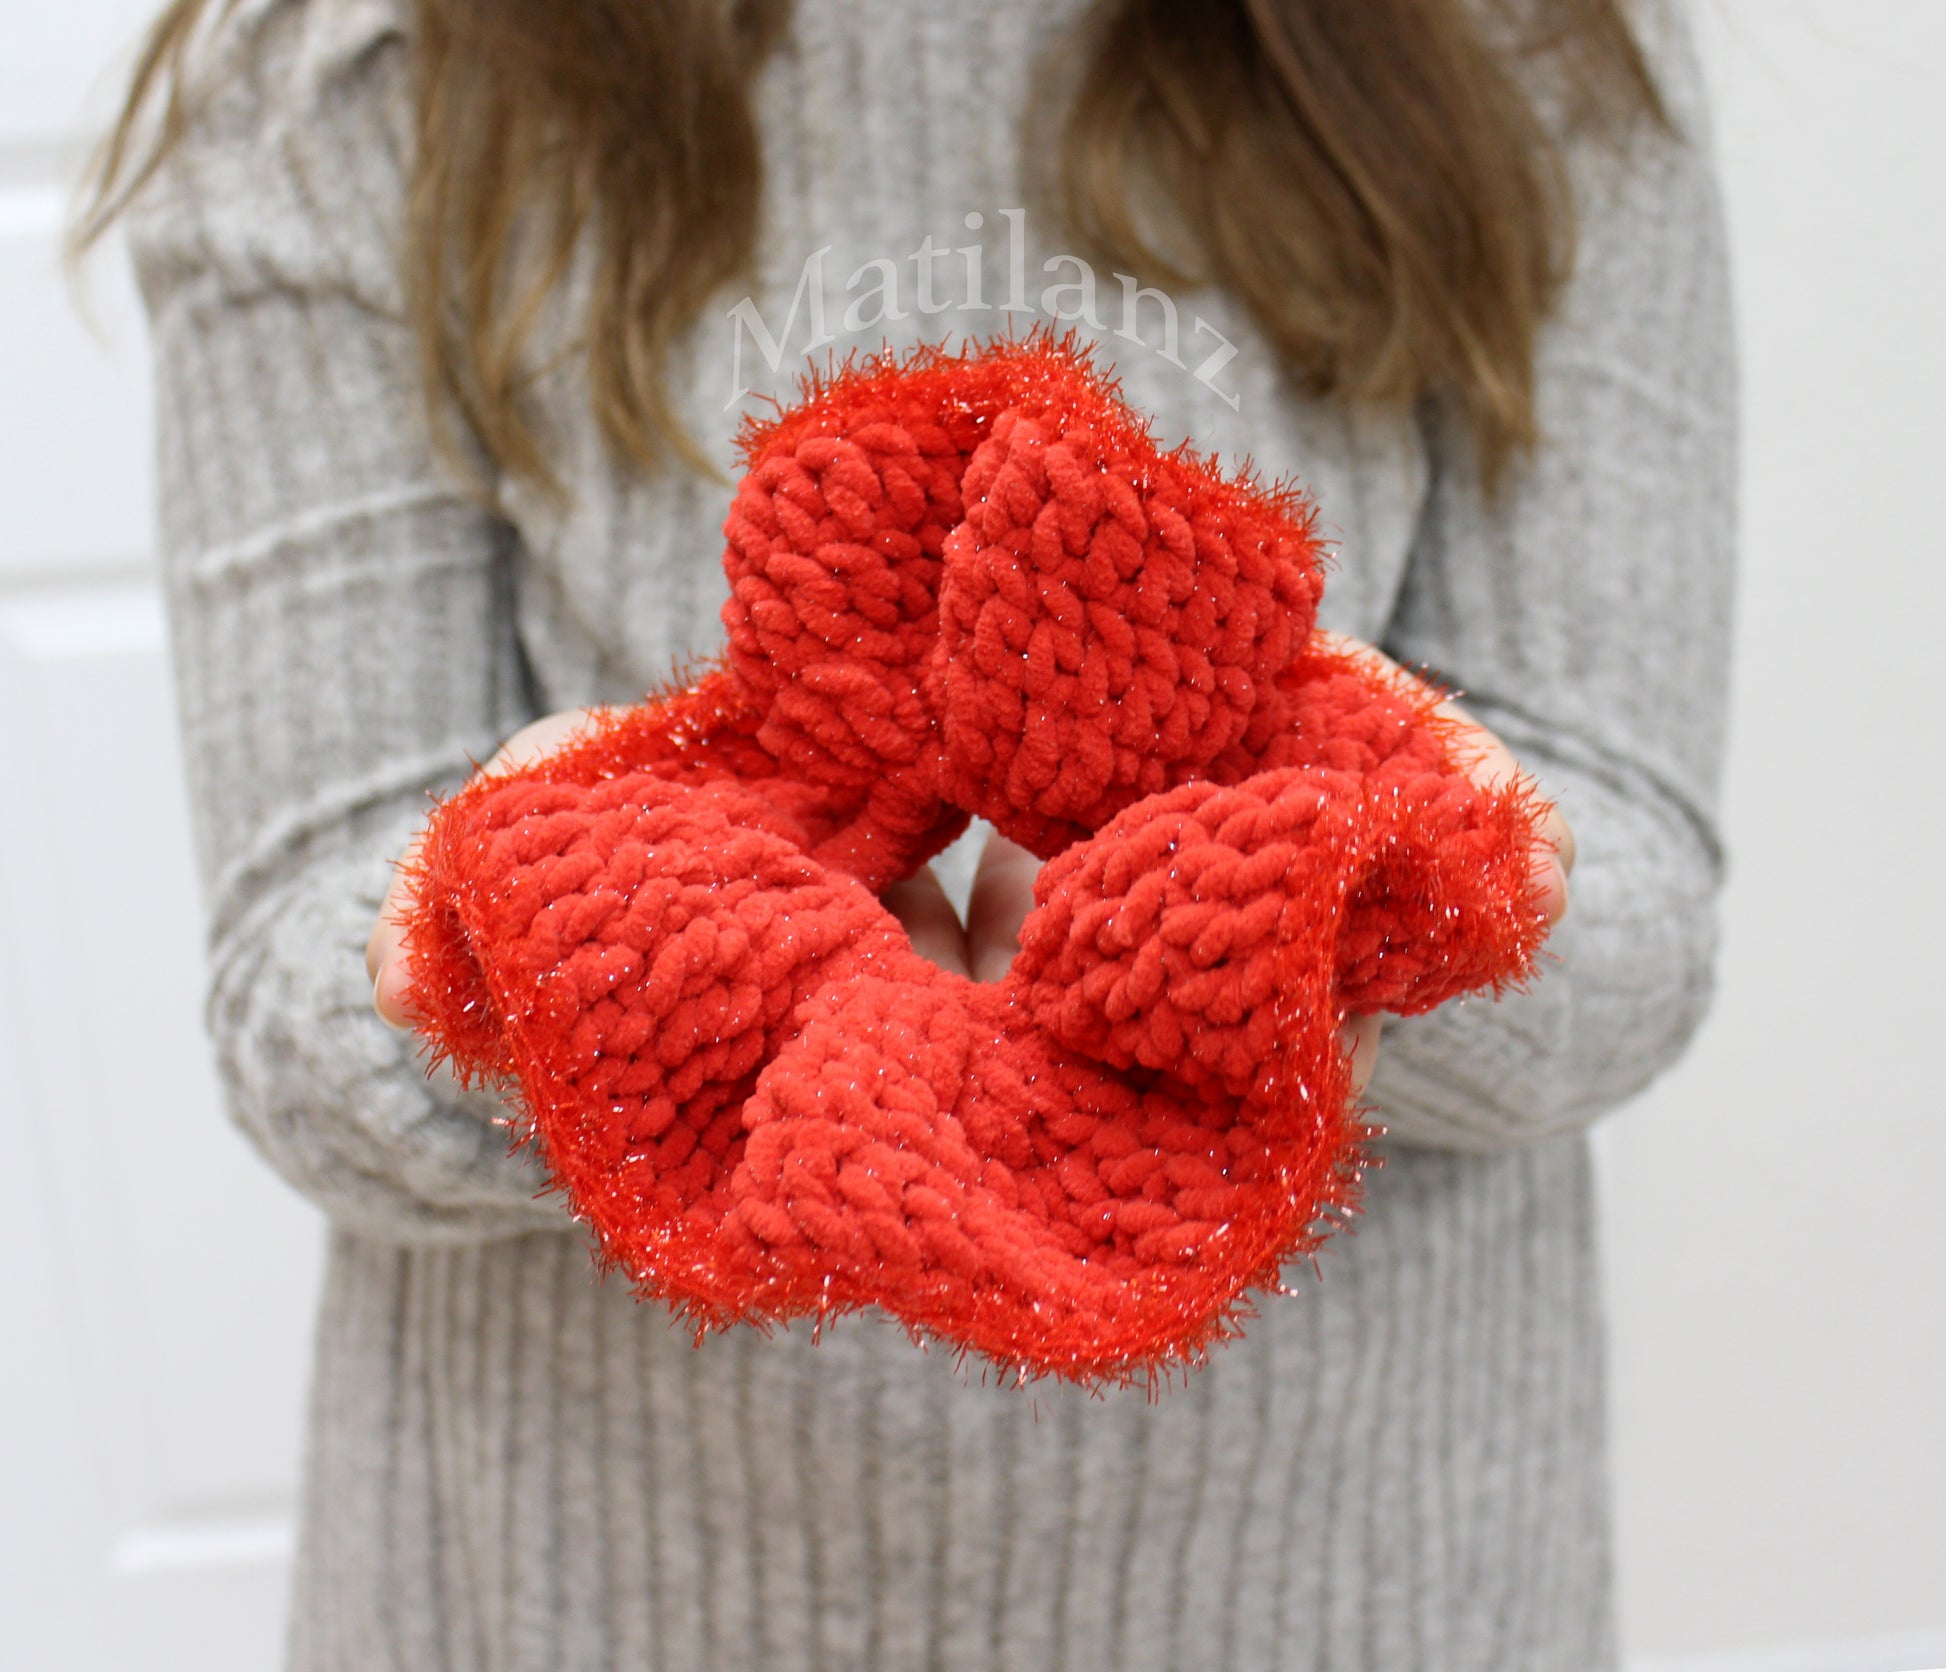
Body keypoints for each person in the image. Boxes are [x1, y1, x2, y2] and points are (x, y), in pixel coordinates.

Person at [80, 0, 1734, 1665]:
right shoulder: (358, 71)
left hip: (1363, 1575)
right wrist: (522, 968)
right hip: (583, 1585)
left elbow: (1636, 885)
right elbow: (291, 967)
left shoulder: (1518, 44)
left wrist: (1384, 918)